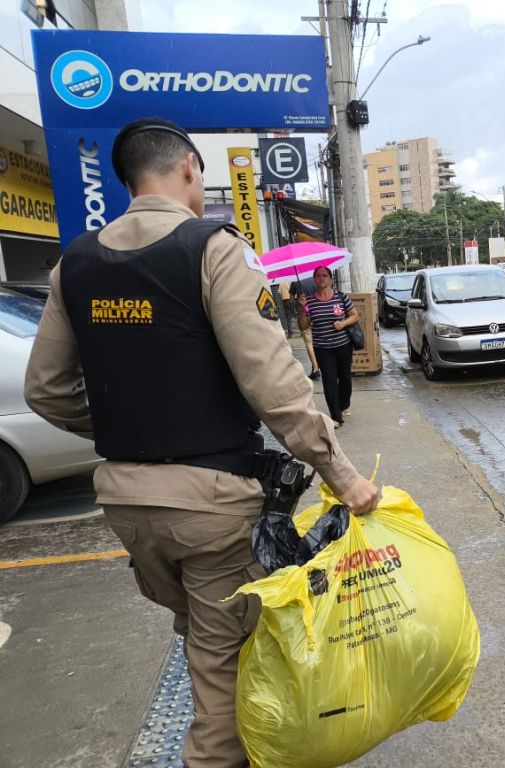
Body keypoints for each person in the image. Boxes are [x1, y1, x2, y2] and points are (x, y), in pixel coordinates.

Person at [23, 116, 379, 768]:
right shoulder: (213, 247)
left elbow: (45, 390)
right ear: (188, 167)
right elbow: (275, 387)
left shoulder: (72, 264)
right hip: (212, 507)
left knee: (202, 635)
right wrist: (343, 476)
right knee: (220, 678)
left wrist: (128, 430)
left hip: (130, 507)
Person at [297, 266, 358, 428]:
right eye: (318, 276)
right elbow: (303, 326)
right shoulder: (309, 301)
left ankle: (343, 404)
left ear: (331, 279)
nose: (321, 278)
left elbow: (354, 316)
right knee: (329, 380)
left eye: (324, 275)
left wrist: (342, 323)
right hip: (322, 348)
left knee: (345, 378)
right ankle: (336, 417)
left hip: (343, 345)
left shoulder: (340, 297)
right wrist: (302, 309)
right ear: (314, 280)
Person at [290, 277, 320, 380]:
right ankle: (315, 367)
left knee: (308, 341)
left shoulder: (295, 282)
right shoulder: (315, 279)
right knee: (317, 340)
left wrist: (295, 307)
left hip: (304, 313)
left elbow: (291, 300)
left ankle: (316, 368)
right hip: (317, 312)